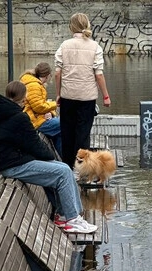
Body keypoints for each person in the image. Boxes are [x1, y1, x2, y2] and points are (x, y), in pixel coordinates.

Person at [0, 81, 97, 234]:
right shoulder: (18, 117)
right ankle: (71, 220)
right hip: (13, 165)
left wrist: (50, 160)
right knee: (63, 172)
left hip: (9, 161)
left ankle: (67, 216)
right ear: (24, 98)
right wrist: (49, 158)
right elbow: (35, 145)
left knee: (64, 168)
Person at [54, 12, 111, 169]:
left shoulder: (64, 46)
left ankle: (67, 168)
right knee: (83, 134)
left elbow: (58, 73)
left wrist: (58, 94)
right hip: (87, 98)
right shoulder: (95, 47)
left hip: (67, 96)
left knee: (67, 133)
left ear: (71, 27)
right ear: (87, 25)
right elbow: (99, 74)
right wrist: (106, 96)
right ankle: (82, 169)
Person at [19, 62, 62, 156]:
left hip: (39, 118)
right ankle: (71, 158)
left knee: (58, 134)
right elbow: (39, 107)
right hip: (36, 121)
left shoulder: (35, 83)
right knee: (68, 123)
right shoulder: (34, 85)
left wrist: (50, 112)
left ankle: (67, 160)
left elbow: (41, 104)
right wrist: (56, 104)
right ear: (47, 76)